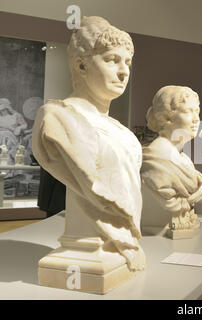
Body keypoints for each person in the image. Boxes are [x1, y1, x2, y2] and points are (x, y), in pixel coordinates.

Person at [32, 16, 145, 272]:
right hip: (87, 243)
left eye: (127, 62)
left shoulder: (123, 132)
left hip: (116, 240)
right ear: (82, 66)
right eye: (111, 60)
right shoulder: (58, 118)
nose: (124, 71)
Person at [141, 85, 202, 238]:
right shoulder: (157, 159)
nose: (196, 118)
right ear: (166, 118)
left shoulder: (183, 159)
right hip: (159, 233)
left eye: (196, 111)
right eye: (187, 111)